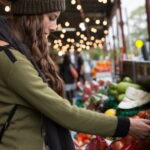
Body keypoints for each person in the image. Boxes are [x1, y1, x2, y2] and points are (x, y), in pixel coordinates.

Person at [0, 0, 150, 150]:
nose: (54, 27)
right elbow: (63, 112)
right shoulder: (12, 61)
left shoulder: (13, 54)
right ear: (32, 14)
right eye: (51, 18)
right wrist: (126, 125)